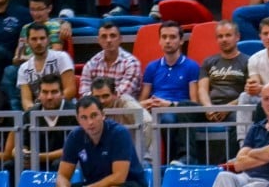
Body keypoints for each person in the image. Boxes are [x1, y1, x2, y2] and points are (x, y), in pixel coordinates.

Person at [138, 21, 199, 164]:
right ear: (159, 41)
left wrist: (170, 105)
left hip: (179, 110)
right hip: (154, 110)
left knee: (169, 119)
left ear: (181, 40)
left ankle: (171, 162)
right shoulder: (152, 67)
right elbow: (141, 100)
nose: (168, 41)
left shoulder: (191, 66)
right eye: (164, 37)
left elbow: (194, 102)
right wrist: (147, 103)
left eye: (172, 37)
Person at [197, 20, 248, 156]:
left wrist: (228, 107)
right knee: (182, 109)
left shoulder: (248, 61)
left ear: (237, 37)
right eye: (220, 36)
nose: (224, 39)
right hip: (211, 109)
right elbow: (202, 88)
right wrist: (208, 107)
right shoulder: (209, 61)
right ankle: (186, 158)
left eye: (228, 35)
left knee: (238, 120)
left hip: (235, 109)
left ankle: (232, 163)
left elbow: (248, 93)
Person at [16, 22, 74, 111]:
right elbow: (26, 101)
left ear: (49, 39)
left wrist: (49, 107)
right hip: (38, 116)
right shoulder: (24, 69)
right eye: (34, 39)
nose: (39, 42)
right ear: (27, 41)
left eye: (42, 38)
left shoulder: (62, 57)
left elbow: (70, 90)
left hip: (64, 110)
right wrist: (39, 113)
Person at [89, 76, 152, 155]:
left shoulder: (126, 103)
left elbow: (147, 122)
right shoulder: (88, 106)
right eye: (97, 97)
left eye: (105, 96)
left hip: (131, 156)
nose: (101, 101)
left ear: (115, 94)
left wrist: (139, 153)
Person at [80, 20, 142, 98]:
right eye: (104, 36)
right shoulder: (91, 64)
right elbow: (84, 94)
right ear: (98, 40)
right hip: (96, 108)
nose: (108, 40)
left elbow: (122, 95)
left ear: (120, 39)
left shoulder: (132, 63)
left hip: (124, 108)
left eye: (113, 36)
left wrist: (97, 97)